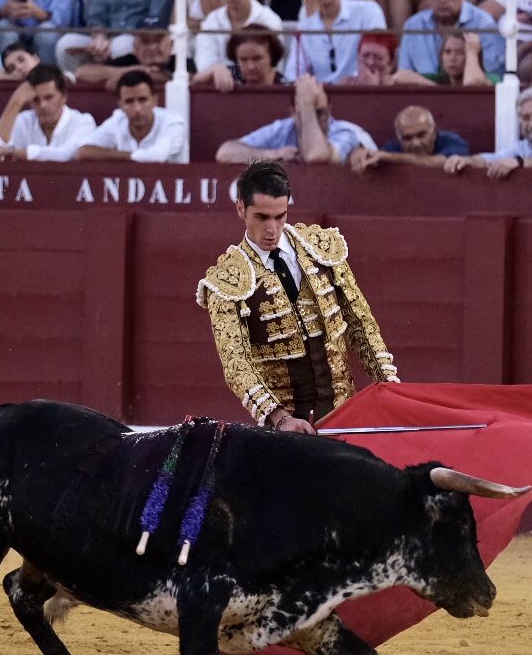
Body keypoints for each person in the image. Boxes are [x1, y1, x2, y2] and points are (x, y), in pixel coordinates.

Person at [198, 159, 397, 430]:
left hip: (344, 413)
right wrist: (280, 419)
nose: (272, 229)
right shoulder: (225, 280)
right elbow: (236, 364)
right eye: (262, 217)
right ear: (241, 208)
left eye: (280, 216)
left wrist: (389, 388)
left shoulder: (322, 250)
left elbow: (360, 324)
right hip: (286, 427)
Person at [215, 74, 373, 164]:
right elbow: (225, 153)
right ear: (292, 112)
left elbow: (315, 156)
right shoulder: (283, 129)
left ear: (330, 109)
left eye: (320, 113)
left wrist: (306, 105)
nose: (316, 119)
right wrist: (274, 154)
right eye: (303, 112)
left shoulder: (346, 132)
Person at [286, 0, 386, 82]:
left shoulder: (368, 12)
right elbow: (293, 76)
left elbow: (378, 64)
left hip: (362, 91)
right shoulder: (304, 29)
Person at [445, 85, 532, 176]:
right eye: (525, 118)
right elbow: (495, 158)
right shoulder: (525, 147)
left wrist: (519, 162)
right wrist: (467, 160)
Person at [397, 0, 505, 75]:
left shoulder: (484, 24)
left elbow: (492, 76)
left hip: (469, 91)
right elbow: (403, 73)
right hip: (423, 92)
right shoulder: (413, 25)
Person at [0, 64, 100, 160]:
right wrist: (16, 102)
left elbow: (64, 154)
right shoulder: (23, 120)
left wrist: (11, 151)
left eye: (49, 97)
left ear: (64, 96)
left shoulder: (83, 122)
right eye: (36, 99)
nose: (43, 105)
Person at [75, 69, 189, 161]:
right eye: (129, 101)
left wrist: (119, 157)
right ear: (120, 104)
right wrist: (130, 156)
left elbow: (156, 157)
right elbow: (83, 152)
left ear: (154, 101)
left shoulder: (173, 122)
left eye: (143, 100)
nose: (137, 109)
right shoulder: (118, 119)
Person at [347, 104, 472, 172]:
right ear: (398, 137)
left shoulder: (454, 142)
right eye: (407, 138)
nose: (416, 143)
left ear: (434, 131)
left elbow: (441, 162)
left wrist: (387, 156)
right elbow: (372, 159)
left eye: (422, 135)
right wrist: (358, 155)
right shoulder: (393, 147)